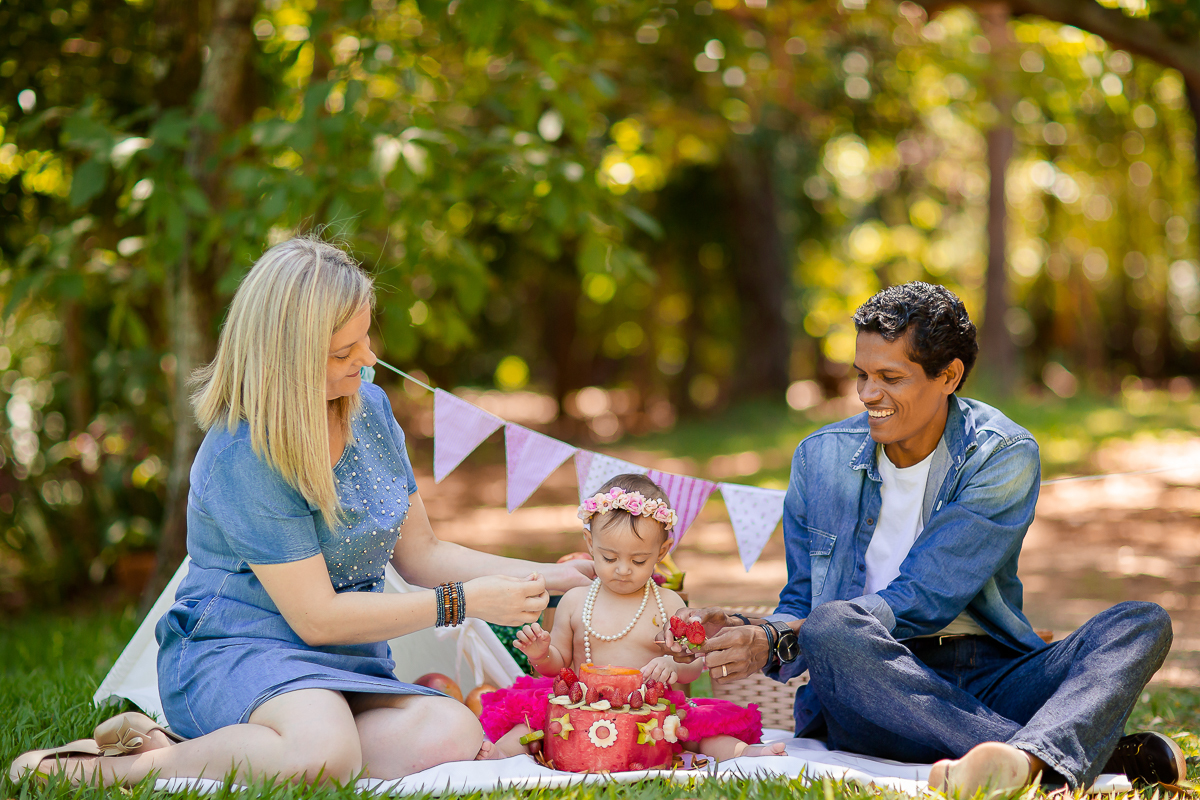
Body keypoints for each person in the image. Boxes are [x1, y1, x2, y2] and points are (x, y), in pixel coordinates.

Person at [9, 237, 594, 786]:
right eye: (344, 350)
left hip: (345, 662)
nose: (368, 358)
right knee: (324, 753)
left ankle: (234, 744)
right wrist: (462, 603)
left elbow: (423, 554)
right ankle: (123, 768)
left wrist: (548, 577)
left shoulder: (369, 407)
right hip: (235, 651)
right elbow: (316, 618)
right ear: (287, 358)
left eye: (366, 338)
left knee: (451, 731)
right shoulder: (246, 450)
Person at [665, 282, 1181, 795]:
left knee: (1140, 622)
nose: (869, 394)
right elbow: (802, 601)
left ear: (949, 376)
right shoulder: (818, 459)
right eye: (862, 375)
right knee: (830, 626)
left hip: (989, 675)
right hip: (870, 686)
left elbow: (924, 598)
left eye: (891, 377)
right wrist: (755, 634)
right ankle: (1043, 758)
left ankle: (1016, 759)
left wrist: (785, 635)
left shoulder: (1000, 454)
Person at [479, 473, 786, 761]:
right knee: (532, 725)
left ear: (662, 551)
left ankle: (747, 755)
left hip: (652, 711)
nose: (622, 569)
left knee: (700, 733)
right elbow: (557, 668)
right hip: (580, 705)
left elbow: (694, 662)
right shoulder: (575, 601)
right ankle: (492, 759)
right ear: (590, 544)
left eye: (639, 560)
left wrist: (672, 664)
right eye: (609, 557)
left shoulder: (668, 602)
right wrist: (542, 653)